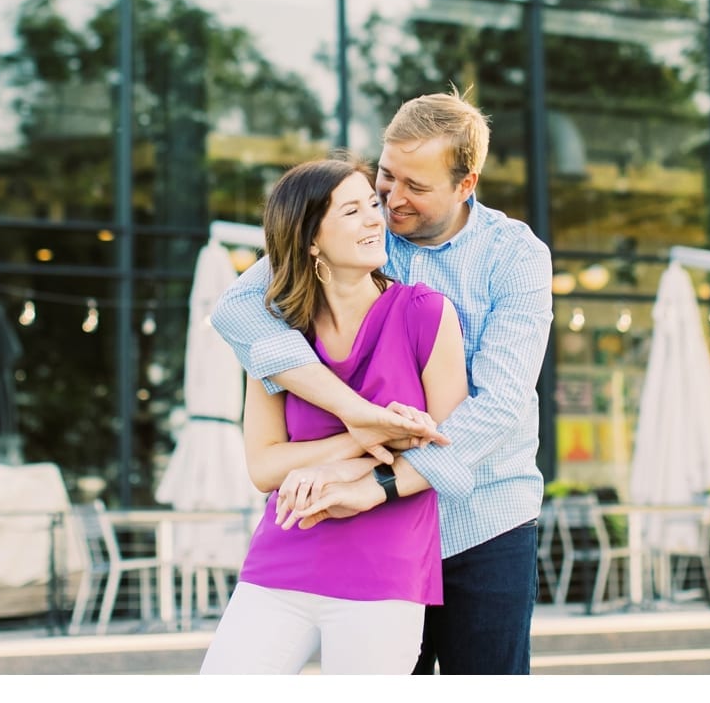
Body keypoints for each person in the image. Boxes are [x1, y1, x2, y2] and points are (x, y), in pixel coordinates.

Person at [212, 90, 554, 674]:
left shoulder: (515, 256)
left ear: (466, 184)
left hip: (481, 519)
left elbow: (498, 407)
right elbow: (236, 310)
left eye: (415, 187)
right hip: (382, 536)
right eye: (386, 178)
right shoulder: (357, 226)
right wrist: (354, 412)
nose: (391, 201)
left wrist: (382, 484)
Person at [199, 157, 467, 675]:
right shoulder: (277, 335)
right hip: (283, 554)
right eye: (352, 211)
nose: (375, 219)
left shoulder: (426, 313)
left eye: (372, 204)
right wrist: (363, 430)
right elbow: (263, 467)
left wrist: (335, 468)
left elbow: (443, 446)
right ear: (310, 240)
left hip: (384, 567)